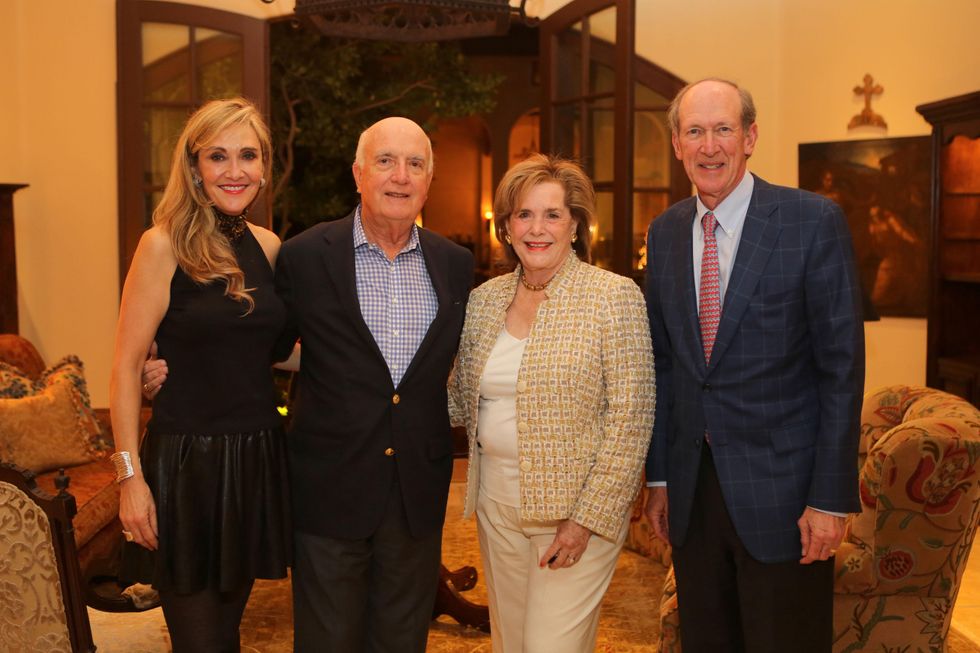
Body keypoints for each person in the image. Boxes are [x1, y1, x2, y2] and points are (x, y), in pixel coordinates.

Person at [643, 78, 865, 652]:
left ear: (750, 137)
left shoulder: (811, 221)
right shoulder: (664, 233)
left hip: (788, 498)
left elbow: (840, 369)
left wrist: (829, 497)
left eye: (723, 129)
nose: (709, 145)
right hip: (694, 495)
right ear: (677, 144)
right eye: (695, 131)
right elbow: (665, 366)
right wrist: (661, 477)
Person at [275, 117, 474, 652]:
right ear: (359, 174)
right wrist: (173, 361)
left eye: (415, 164)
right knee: (327, 641)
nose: (401, 176)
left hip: (415, 491)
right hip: (328, 487)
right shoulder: (304, 256)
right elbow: (264, 346)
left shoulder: (456, 265)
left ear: (429, 179)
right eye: (386, 161)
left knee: (402, 640)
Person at [449, 153, 655, 652]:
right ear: (507, 226)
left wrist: (584, 520)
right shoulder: (484, 300)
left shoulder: (612, 297)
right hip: (496, 506)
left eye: (552, 214)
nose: (536, 228)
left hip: (572, 516)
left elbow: (632, 417)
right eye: (524, 214)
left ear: (577, 224)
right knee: (511, 644)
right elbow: (459, 401)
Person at [109, 97, 291, 652]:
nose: (235, 171)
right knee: (200, 643)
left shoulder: (269, 246)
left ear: (264, 166)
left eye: (248, 155)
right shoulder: (162, 244)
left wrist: (375, 359)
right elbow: (123, 367)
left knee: (226, 635)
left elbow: (275, 351)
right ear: (194, 168)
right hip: (186, 468)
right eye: (218, 156)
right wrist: (129, 479)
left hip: (255, 456)